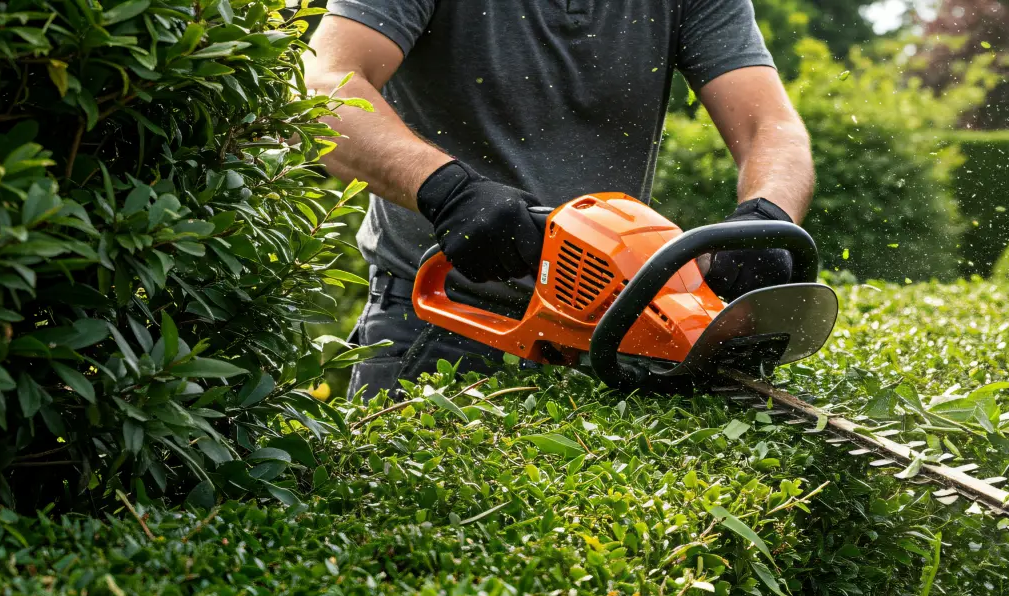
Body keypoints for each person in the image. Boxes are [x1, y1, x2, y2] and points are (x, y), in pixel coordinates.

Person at [304, 0, 815, 397]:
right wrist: (448, 190)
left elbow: (771, 126)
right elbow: (324, 88)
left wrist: (766, 218)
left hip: (611, 330)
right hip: (442, 318)